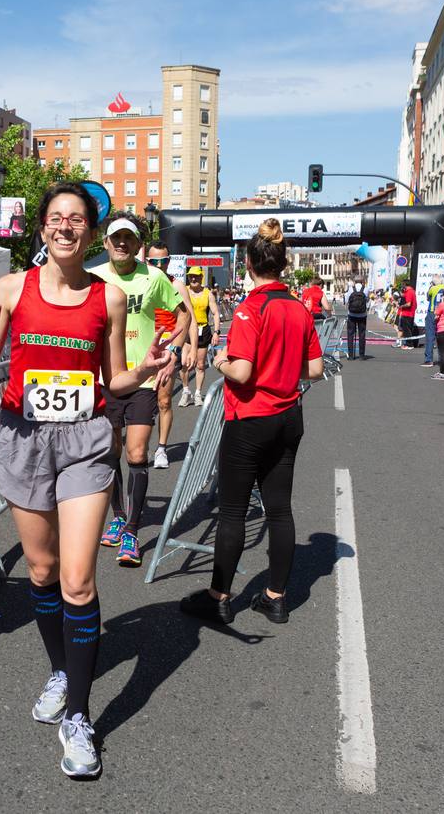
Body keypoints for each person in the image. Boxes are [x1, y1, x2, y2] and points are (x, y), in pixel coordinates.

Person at [0, 183, 174, 779]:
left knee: (79, 581)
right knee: (42, 571)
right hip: (24, 439)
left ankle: (79, 717)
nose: (65, 227)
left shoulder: (107, 298)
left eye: (76, 220)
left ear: (91, 232)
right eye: (55, 218)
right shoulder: (11, 288)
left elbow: (113, 381)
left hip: (84, 441)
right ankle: (61, 670)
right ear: (41, 228)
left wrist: (148, 369)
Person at [181, 218, 323, 626]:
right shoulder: (297, 308)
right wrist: (280, 367)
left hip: (249, 419)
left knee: (233, 512)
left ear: (248, 262)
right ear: (282, 263)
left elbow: (241, 372)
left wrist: (220, 359)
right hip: (288, 415)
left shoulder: (249, 309)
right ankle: (276, 597)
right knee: (280, 509)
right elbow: (313, 369)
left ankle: (219, 597)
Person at [89, 215, 191, 567]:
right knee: (111, 451)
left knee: (136, 453)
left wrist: (171, 352)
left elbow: (180, 316)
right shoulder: (95, 278)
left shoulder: (154, 277)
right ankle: (118, 516)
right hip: (106, 379)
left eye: (127, 239)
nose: (121, 244)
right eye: (115, 238)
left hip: (143, 379)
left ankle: (132, 531)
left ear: (137, 245)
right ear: (105, 243)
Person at [146, 241, 199, 470]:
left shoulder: (176, 285)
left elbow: (191, 319)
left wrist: (193, 348)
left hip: (168, 347)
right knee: (140, 403)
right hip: (141, 346)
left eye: (164, 261)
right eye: (154, 261)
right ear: (146, 261)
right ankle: (136, 446)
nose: (159, 265)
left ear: (169, 261)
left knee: (164, 400)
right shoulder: (139, 282)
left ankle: (161, 448)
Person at [178, 266, 219, 406]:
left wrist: (216, 332)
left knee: (200, 365)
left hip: (203, 330)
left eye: (196, 276)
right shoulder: (184, 291)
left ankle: (197, 394)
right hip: (187, 330)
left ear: (201, 277)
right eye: (190, 276)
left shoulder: (208, 294)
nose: (193, 279)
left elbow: (215, 313)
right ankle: (185, 391)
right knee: (184, 363)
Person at [343, 279, 369, 360]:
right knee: (362, 334)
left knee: (350, 334)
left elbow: (346, 300)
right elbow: (367, 300)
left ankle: (351, 355)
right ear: (362, 281)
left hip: (352, 314)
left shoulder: (351, 289)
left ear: (355, 282)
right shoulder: (366, 289)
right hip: (362, 315)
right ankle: (362, 355)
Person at [397, 283, 418, 349]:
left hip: (407, 314)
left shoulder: (409, 292)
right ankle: (408, 344)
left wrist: (401, 306)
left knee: (407, 330)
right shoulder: (412, 291)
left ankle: (409, 345)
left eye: (403, 286)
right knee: (407, 330)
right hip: (409, 313)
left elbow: (408, 304)